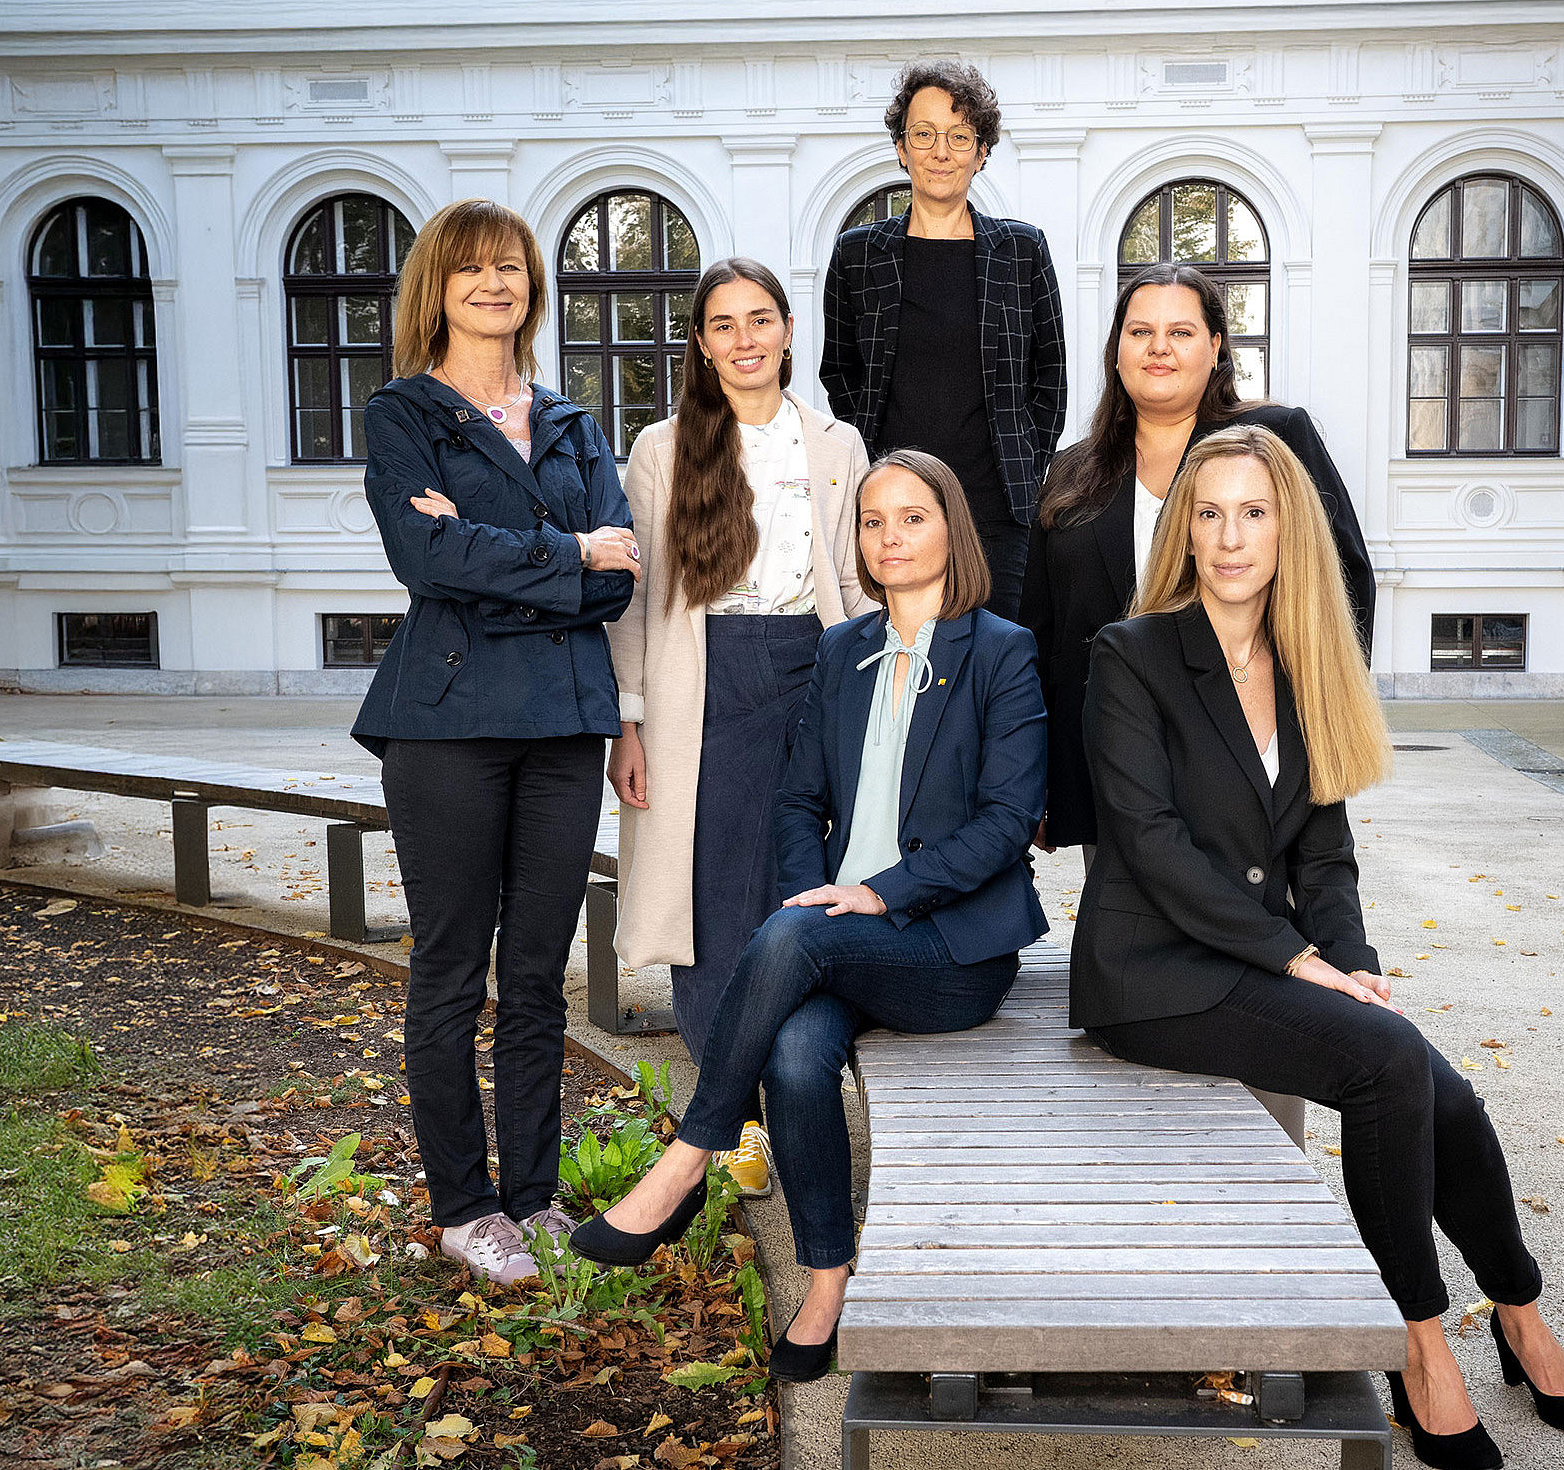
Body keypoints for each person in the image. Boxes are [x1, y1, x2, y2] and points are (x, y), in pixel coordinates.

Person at [1070, 425, 1564, 1470]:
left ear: (1287, 529)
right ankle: (1413, 1343)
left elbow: (1325, 852)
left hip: (1257, 956)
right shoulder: (1127, 656)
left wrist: (1349, 959)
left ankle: (1517, 1309)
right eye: (1209, 513)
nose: (1229, 538)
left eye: (1253, 513)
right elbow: (1150, 845)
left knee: (1439, 1087)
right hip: (1153, 972)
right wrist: (1289, 958)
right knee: (1384, 1061)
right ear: (1185, 528)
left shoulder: (1309, 658)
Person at [571, 450, 1047, 1384]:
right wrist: (812, 890)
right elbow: (797, 803)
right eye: (872, 522)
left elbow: (1006, 822)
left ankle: (688, 1157)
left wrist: (882, 892)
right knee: (793, 1055)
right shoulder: (842, 650)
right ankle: (826, 1281)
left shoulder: (1000, 651)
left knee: (793, 938)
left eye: (912, 517)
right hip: (832, 935)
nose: (889, 537)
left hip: (949, 949)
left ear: (953, 526)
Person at [352, 198, 642, 1285]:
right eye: (471, 268)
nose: (494, 283)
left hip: (563, 724)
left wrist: (504, 558)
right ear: (438, 285)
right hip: (448, 727)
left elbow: (616, 584)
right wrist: (564, 549)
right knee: (448, 973)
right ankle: (461, 1205)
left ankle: (531, 1194)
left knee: (535, 979)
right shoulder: (402, 414)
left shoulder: (570, 423)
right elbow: (423, 563)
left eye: (512, 267)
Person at [607, 259, 874, 1198]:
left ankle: (801, 1083)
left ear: (790, 330)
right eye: (724, 324)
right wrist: (629, 723)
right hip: (703, 686)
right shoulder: (663, 447)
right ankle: (739, 1120)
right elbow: (636, 602)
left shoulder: (837, 443)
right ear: (700, 341)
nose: (745, 339)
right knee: (712, 899)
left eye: (761, 319)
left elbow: (857, 572)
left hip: (814, 670)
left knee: (801, 886)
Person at [1020, 262, 1376, 857]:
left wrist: (1322, 716)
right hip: (1113, 759)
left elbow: (1345, 577)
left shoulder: (1272, 439)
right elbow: (1040, 631)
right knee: (1130, 932)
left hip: (1249, 745)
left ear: (1215, 348)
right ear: (1116, 350)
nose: (1159, 348)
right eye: (1140, 332)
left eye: (1181, 332)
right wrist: (1037, 778)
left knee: (1253, 925)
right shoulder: (1071, 472)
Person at [821, 58, 1067, 621]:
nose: (940, 151)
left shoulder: (1022, 251)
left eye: (959, 136)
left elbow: (1050, 375)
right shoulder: (858, 254)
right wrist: (875, 464)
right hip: (896, 510)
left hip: (997, 509)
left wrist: (1027, 467)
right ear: (902, 147)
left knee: (995, 665)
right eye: (923, 134)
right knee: (903, 656)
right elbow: (839, 371)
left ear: (981, 152)